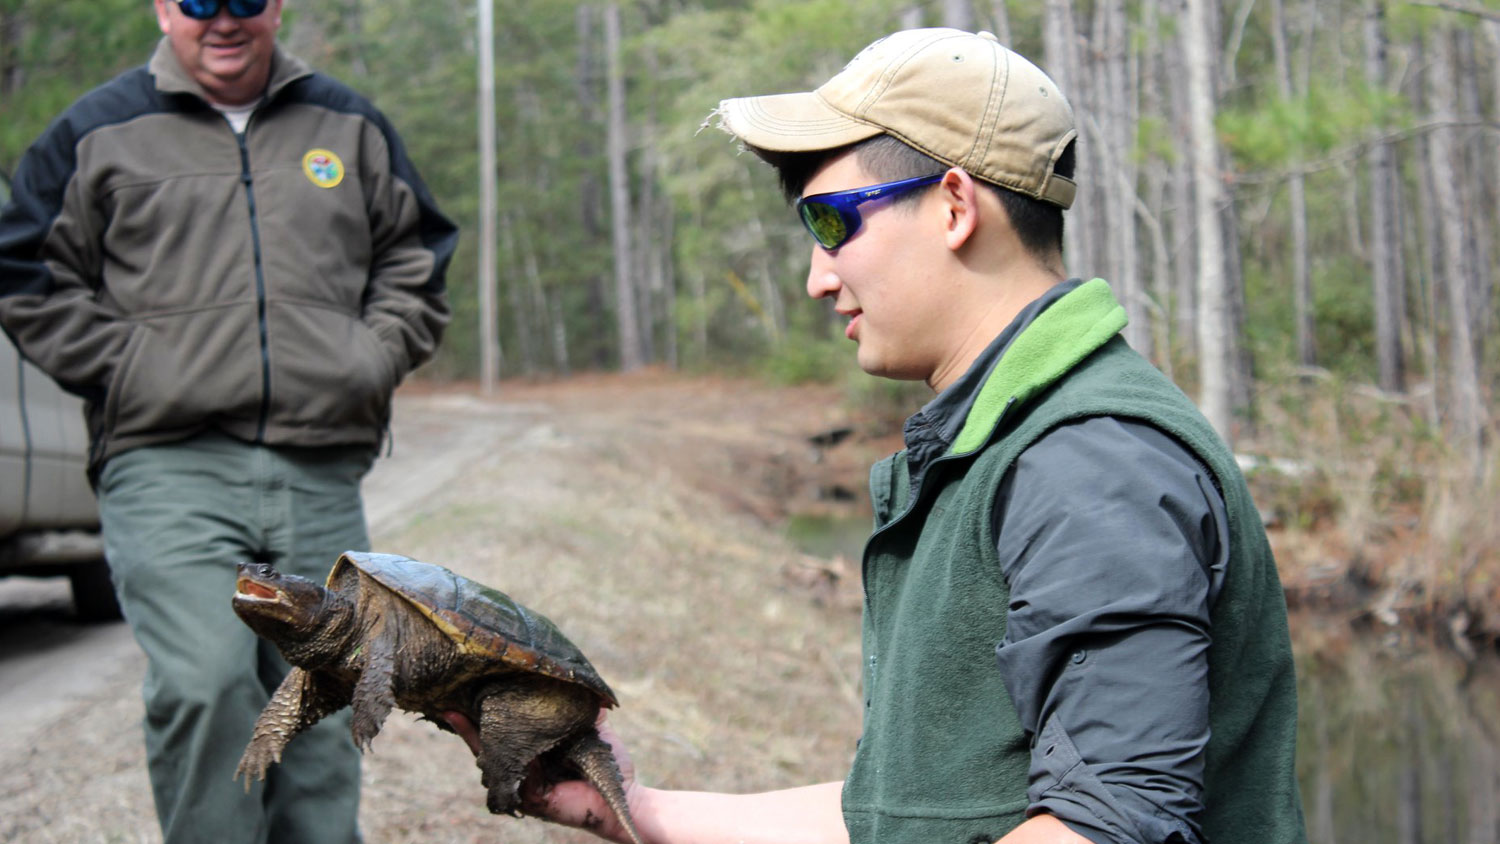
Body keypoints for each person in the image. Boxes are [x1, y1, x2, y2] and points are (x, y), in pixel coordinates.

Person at [442, 26, 1306, 844]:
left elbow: (1109, 823)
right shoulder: (999, 447)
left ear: (956, 206)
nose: (819, 277)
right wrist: (635, 810)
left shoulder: (1088, 461)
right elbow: (909, 814)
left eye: (830, 223)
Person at [0, 1, 457, 841]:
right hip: (166, 462)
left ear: (276, 5)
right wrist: (129, 366)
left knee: (319, 697)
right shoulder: (97, 130)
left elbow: (416, 255)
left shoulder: (348, 123)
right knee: (206, 683)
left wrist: (369, 356)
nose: (223, 20)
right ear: (162, 7)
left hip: (319, 463)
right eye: (197, 1)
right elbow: (25, 274)